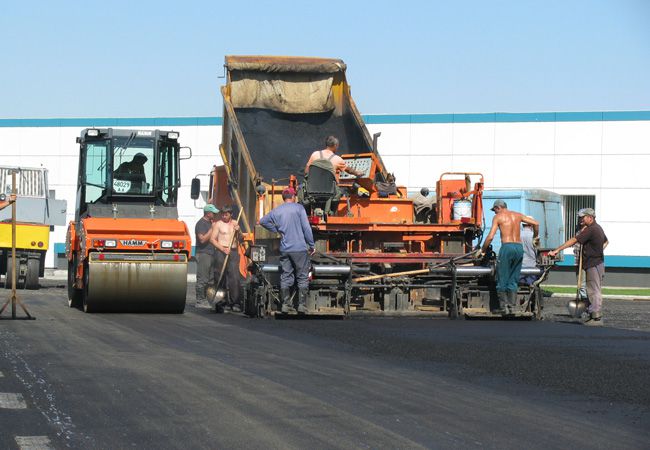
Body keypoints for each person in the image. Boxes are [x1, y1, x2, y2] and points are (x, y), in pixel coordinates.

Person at [259, 188, 315, 314]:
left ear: (284, 197)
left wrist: (276, 229)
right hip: (299, 249)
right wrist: (311, 244)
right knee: (302, 276)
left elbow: (262, 221)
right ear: (293, 196)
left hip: (285, 249)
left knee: (286, 275)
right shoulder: (299, 208)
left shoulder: (277, 210)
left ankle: (285, 305)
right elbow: (306, 228)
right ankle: (301, 305)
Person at [549, 208, 608, 326]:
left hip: (594, 264)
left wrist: (557, 250)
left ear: (590, 218)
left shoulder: (592, 229)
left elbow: (574, 240)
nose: (581, 219)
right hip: (593, 263)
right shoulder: (596, 228)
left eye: (583, 217)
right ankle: (593, 315)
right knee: (591, 290)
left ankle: (596, 317)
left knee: (593, 291)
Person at [479, 200, 539, 313]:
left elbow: (490, 236)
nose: (494, 213)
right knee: (514, 278)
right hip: (519, 248)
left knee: (502, 278)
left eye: (494, 210)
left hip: (507, 247)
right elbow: (536, 223)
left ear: (498, 208)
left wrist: (482, 250)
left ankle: (503, 307)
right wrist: (535, 237)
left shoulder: (498, 217)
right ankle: (512, 307)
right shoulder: (518, 215)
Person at [210, 205, 243, 312]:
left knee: (234, 277)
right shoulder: (218, 224)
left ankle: (235, 302)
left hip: (233, 252)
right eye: (222, 214)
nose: (224, 216)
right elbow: (212, 239)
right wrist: (222, 249)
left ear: (231, 214)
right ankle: (221, 302)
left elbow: (241, 238)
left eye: (226, 214)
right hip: (221, 251)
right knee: (220, 277)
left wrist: (239, 231)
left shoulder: (235, 223)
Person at [194, 204, 219, 308]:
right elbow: (202, 239)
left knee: (211, 279)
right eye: (213, 213)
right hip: (204, 253)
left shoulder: (210, 223)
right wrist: (212, 229)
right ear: (208, 213)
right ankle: (200, 301)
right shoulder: (201, 224)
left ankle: (208, 300)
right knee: (203, 279)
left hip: (212, 254)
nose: (215, 214)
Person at [519, 216, 539, 285]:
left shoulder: (517, 235)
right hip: (532, 267)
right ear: (531, 225)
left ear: (522, 225)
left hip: (519, 266)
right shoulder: (535, 237)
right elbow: (537, 251)